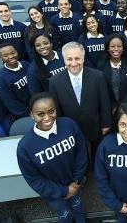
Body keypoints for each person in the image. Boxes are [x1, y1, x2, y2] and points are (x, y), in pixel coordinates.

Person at [17, 92, 87, 223]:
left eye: (51, 111)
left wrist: (76, 182)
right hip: (53, 194)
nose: (47, 117)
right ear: (32, 115)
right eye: (40, 114)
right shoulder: (25, 146)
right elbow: (34, 179)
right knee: (64, 215)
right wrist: (64, 191)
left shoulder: (69, 125)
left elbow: (81, 153)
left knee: (78, 208)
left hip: (75, 184)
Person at [49, 41, 112, 159]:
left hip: (95, 128)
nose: (73, 63)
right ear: (64, 60)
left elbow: (104, 102)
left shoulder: (98, 76)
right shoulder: (54, 81)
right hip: (71, 130)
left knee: (96, 157)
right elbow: (57, 109)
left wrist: (106, 124)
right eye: (69, 59)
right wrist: (62, 131)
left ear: (83, 59)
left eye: (77, 58)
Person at [97, 33, 127, 114]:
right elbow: (101, 88)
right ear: (108, 48)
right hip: (108, 108)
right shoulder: (101, 65)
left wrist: (121, 106)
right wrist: (112, 105)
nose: (116, 49)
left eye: (119, 46)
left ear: (123, 48)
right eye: (112, 46)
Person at [0, 43, 31, 119]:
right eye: (5, 55)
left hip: (40, 105)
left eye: (13, 53)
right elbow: (12, 104)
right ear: (0, 57)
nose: (11, 56)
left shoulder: (26, 65)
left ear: (16, 51)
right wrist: (30, 114)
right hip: (26, 115)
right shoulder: (1, 79)